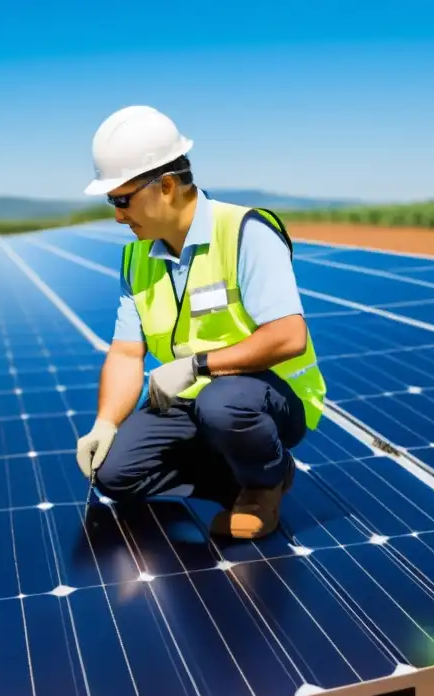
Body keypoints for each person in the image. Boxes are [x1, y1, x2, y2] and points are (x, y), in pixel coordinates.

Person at [74, 105, 327, 540]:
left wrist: (197, 366)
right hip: (190, 400)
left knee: (223, 404)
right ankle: (233, 479)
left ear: (166, 186)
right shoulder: (137, 258)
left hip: (266, 396)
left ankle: (265, 482)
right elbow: (125, 352)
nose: (117, 215)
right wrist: (105, 423)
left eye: (122, 200)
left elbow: (289, 336)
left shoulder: (245, 231)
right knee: (114, 474)